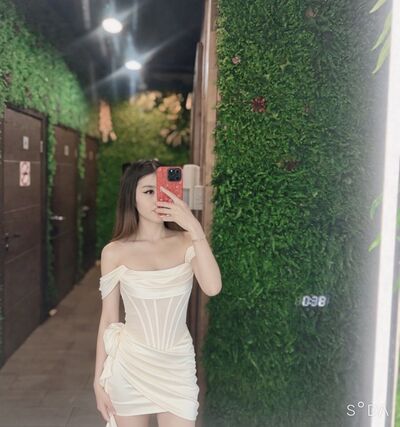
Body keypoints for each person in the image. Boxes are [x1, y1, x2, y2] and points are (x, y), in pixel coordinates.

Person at [93, 159, 222, 427]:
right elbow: (109, 319)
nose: (157, 198)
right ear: (131, 196)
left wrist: (194, 227)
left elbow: (212, 287)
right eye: (148, 191)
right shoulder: (114, 252)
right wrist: (98, 380)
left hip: (177, 365)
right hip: (130, 364)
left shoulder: (186, 241)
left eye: (162, 189)